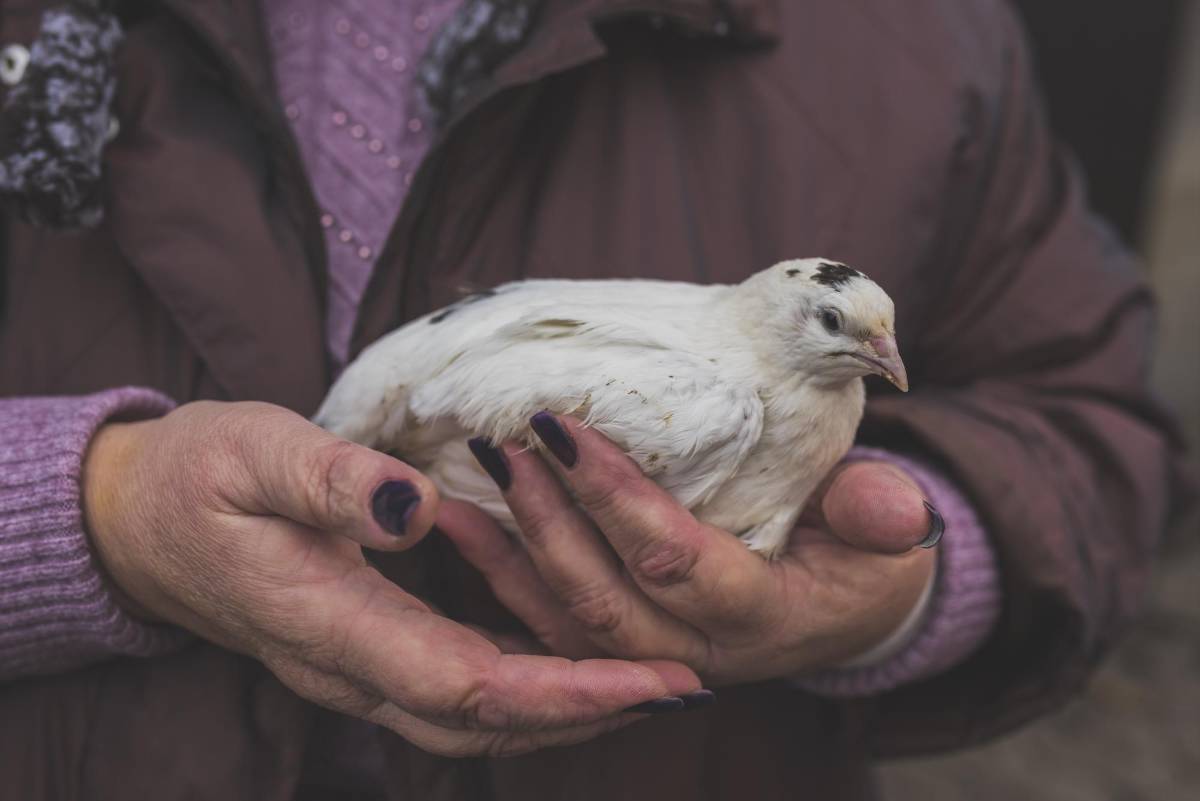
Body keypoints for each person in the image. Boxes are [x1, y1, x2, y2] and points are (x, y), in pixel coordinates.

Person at [0, 1, 1189, 799]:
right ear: (792, 313)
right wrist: (83, 512)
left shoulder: (916, 40)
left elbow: (1085, 409)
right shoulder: (701, 400)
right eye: (844, 332)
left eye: (877, 344)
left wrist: (909, 577)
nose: (878, 360)